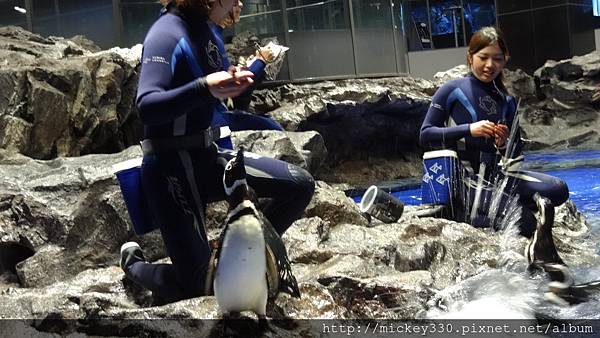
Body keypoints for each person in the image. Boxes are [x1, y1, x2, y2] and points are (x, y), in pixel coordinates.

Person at [119, 0, 314, 304]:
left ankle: (232, 255)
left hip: (208, 155)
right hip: (170, 166)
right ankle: (134, 265)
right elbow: (147, 106)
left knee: (300, 185)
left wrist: (248, 74)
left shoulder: (209, 32)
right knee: (201, 285)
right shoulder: (166, 32)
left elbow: (230, 101)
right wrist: (205, 87)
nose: (239, 3)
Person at [419, 26, 568, 237]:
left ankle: (493, 205)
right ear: (470, 57)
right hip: (462, 180)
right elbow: (425, 135)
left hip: (494, 176)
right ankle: (469, 209)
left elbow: (515, 157)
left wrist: (503, 143)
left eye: (497, 59)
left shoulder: (507, 100)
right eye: (483, 57)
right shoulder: (451, 90)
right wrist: (469, 129)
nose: (490, 65)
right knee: (525, 221)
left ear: (505, 59)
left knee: (558, 189)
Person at [209, 0, 284, 149]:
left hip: (215, 114)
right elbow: (234, 89)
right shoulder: (211, 35)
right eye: (235, 1)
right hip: (213, 120)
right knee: (274, 128)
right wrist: (261, 61)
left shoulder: (211, 33)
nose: (241, 5)